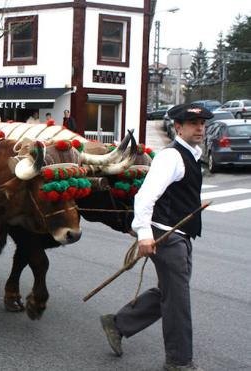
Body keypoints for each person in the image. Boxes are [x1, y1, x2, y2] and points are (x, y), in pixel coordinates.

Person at [99, 103, 212, 371]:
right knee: (178, 301)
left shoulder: (192, 155)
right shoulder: (171, 157)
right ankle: (179, 362)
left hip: (180, 235)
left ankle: (118, 324)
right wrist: (145, 235)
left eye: (202, 124)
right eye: (192, 123)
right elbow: (145, 197)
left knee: (170, 293)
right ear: (178, 127)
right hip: (167, 236)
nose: (199, 128)